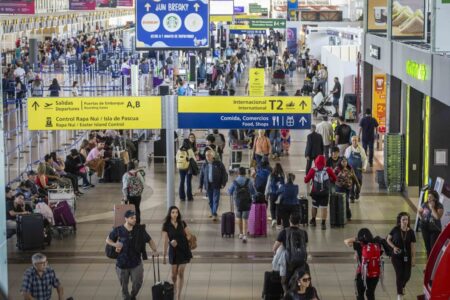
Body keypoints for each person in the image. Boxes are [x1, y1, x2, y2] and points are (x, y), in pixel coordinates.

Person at [106, 210, 158, 300]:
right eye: (132, 218)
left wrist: (155, 250)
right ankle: (126, 298)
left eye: (135, 218)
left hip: (136, 263)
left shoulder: (139, 230)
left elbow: (149, 240)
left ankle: (133, 295)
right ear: (126, 219)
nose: (134, 220)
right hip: (122, 264)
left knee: (138, 283)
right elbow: (108, 239)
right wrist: (115, 244)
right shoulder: (118, 230)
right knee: (124, 285)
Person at [162, 206, 193, 300]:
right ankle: (175, 286)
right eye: (173, 212)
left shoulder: (182, 223)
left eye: (176, 212)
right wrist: (164, 256)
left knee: (181, 272)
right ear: (169, 214)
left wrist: (181, 241)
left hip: (183, 250)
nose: (175, 214)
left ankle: (178, 296)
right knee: (174, 274)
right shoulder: (166, 226)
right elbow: (164, 241)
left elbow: (189, 235)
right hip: (173, 251)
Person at [272, 213, 308, 293]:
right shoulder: (304, 233)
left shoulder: (284, 232)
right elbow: (305, 246)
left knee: (284, 281)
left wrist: (276, 253)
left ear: (289, 221)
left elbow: (274, 248)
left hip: (288, 260)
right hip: (301, 260)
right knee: (300, 277)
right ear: (299, 222)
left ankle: (287, 294)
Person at [344, 228, 382, 300]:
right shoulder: (377, 245)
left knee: (360, 294)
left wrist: (357, 239)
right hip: (375, 274)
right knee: (370, 293)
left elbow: (346, 241)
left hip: (362, 274)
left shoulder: (358, 244)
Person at [387, 212, 416, 300]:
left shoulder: (411, 232)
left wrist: (413, 258)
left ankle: (402, 286)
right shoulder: (395, 229)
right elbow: (388, 239)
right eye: (403, 219)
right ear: (400, 220)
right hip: (396, 256)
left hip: (407, 256)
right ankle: (399, 295)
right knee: (399, 275)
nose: (405, 221)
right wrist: (394, 247)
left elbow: (413, 246)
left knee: (407, 275)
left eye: (406, 219)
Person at [304, 155, 337, 230]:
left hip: (315, 192)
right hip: (325, 192)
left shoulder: (313, 170)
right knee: (324, 207)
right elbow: (335, 178)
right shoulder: (328, 169)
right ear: (324, 162)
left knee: (314, 206)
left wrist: (306, 178)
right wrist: (330, 181)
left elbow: (306, 180)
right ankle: (323, 223)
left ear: (315, 162)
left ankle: (313, 220)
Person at [228, 167, 256, 243]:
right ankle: (244, 235)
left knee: (238, 217)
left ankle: (240, 233)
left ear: (238, 173)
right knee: (245, 218)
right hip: (247, 202)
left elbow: (230, 192)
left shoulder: (235, 181)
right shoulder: (249, 181)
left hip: (238, 202)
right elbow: (253, 192)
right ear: (245, 173)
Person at [198, 150, 228, 221]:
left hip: (216, 184)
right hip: (208, 185)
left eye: (209, 155)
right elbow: (201, 176)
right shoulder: (204, 164)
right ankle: (213, 212)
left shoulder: (219, 164)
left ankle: (214, 213)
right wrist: (200, 186)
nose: (207, 157)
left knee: (216, 199)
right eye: (206, 155)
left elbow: (224, 174)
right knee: (210, 200)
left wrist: (223, 183)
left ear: (213, 156)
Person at [418, 190, 444, 258]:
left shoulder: (439, 206)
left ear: (435, 198)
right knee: (427, 247)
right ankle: (428, 264)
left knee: (433, 248)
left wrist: (432, 208)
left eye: (430, 197)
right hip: (425, 228)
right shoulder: (425, 204)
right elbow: (419, 211)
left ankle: (433, 264)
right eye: (428, 196)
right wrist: (421, 218)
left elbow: (437, 217)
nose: (428, 198)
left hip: (434, 230)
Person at [344, 136, 368, 202]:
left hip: (358, 170)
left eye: (356, 140)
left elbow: (365, 159)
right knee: (351, 184)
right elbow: (345, 159)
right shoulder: (348, 149)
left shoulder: (361, 149)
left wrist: (364, 167)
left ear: (358, 141)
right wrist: (344, 168)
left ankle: (357, 193)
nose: (354, 142)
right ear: (351, 141)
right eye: (353, 140)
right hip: (350, 170)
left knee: (359, 184)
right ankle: (351, 197)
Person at [265, 163, 286, 227]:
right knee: (278, 208)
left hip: (272, 194)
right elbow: (284, 185)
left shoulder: (271, 175)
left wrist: (266, 194)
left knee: (272, 207)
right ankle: (278, 222)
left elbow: (268, 185)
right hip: (280, 194)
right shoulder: (282, 175)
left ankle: (273, 219)